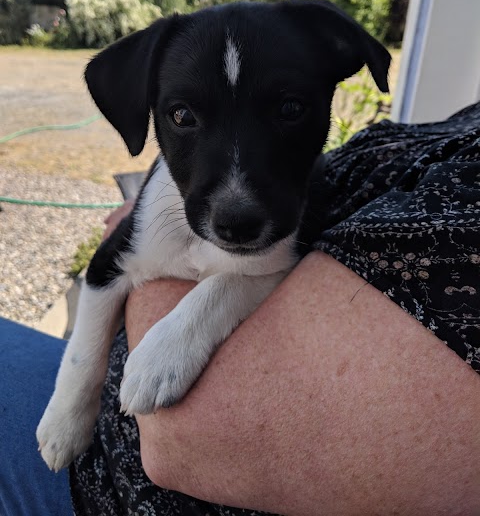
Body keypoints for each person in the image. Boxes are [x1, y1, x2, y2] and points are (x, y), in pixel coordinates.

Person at [1, 98, 479, 516]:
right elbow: (107, 271)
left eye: (290, 111)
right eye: (183, 115)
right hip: (104, 405)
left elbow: (184, 438)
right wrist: (75, 394)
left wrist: (147, 247)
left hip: (109, 484)